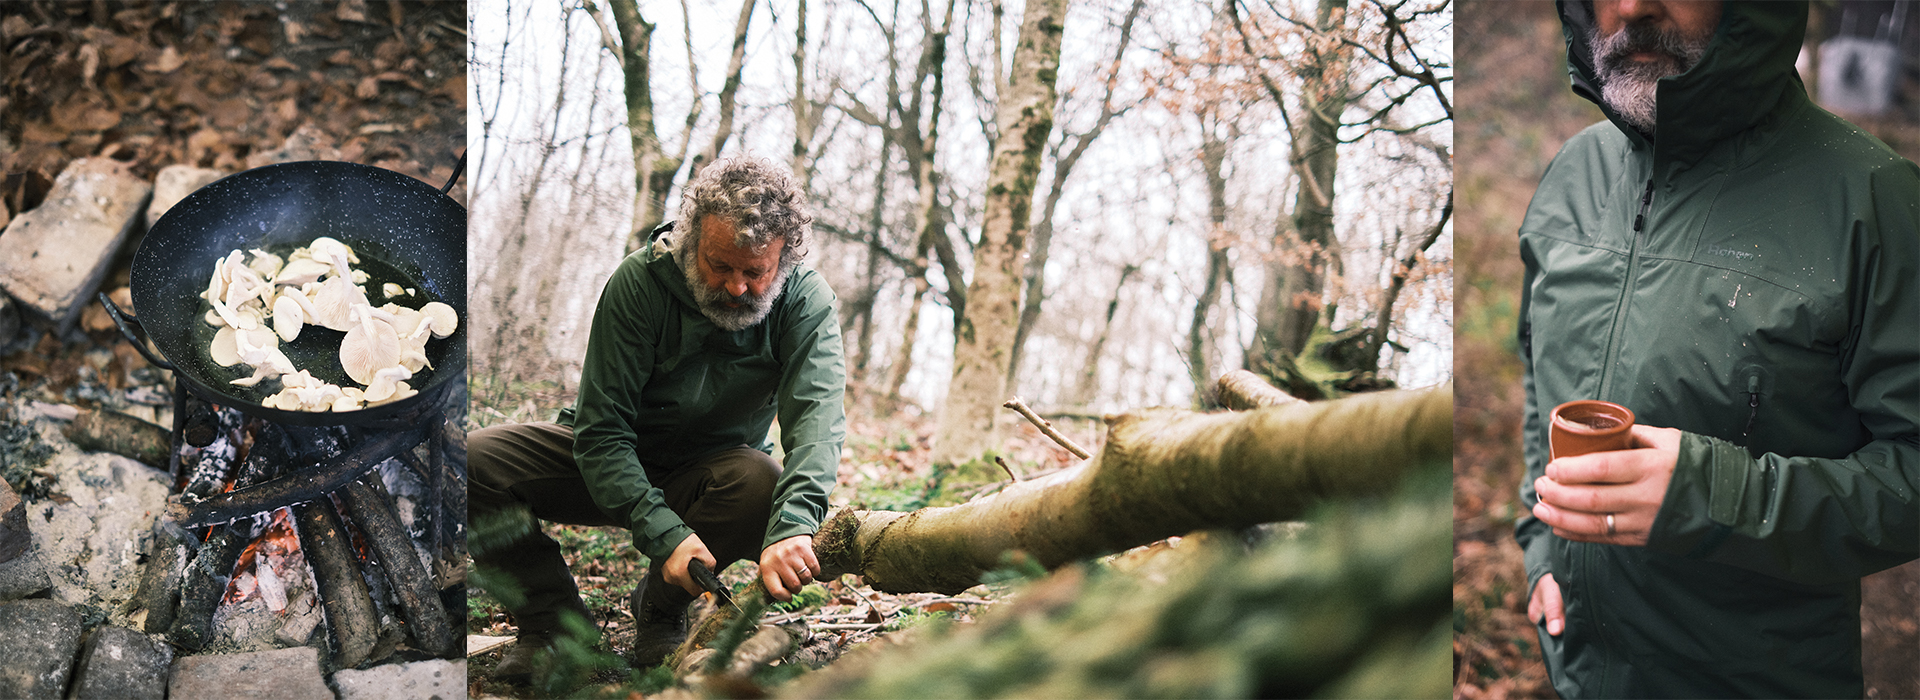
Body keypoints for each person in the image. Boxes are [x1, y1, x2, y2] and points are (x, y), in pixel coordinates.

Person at [1514, 0, 1918, 697]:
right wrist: (1541, 547)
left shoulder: (1876, 199)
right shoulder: (1571, 175)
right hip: (1581, 672)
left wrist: (1716, 493)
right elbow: (1537, 376)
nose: (1634, 7)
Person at [470, 156, 847, 681]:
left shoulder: (806, 303)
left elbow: (817, 422)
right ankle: (551, 627)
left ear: (783, 260)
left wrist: (795, 527)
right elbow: (601, 434)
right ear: (693, 242)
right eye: (720, 265)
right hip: (606, 460)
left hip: (711, 477)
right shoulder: (639, 283)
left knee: (761, 481)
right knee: (471, 462)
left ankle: (661, 611)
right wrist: (663, 532)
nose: (736, 287)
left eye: (754, 273)